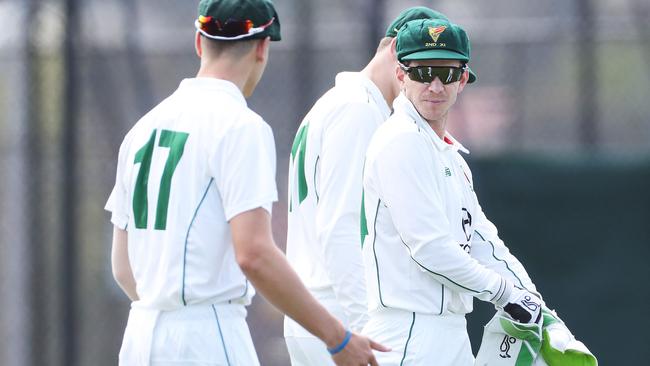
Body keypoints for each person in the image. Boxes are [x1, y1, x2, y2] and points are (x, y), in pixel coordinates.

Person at [105, 0, 387, 365]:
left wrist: (164, 311)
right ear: (262, 47)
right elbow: (254, 254)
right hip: (205, 336)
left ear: (198, 42)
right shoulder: (240, 126)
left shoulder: (142, 129)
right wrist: (338, 337)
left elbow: (122, 267)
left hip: (139, 335)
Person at [360, 18, 544, 365]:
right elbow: (430, 249)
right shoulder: (401, 141)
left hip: (448, 331)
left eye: (445, 73)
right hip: (408, 334)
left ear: (462, 80)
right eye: (422, 71)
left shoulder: (446, 154)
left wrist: (535, 302)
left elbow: (481, 239)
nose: (434, 85)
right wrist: (504, 293)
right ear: (401, 75)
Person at [284, 7, 449, 366]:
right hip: (339, 315)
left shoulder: (341, 104)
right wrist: (364, 332)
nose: (430, 83)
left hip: (320, 312)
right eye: (421, 69)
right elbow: (342, 229)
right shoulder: (358, 111)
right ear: (393, 51)